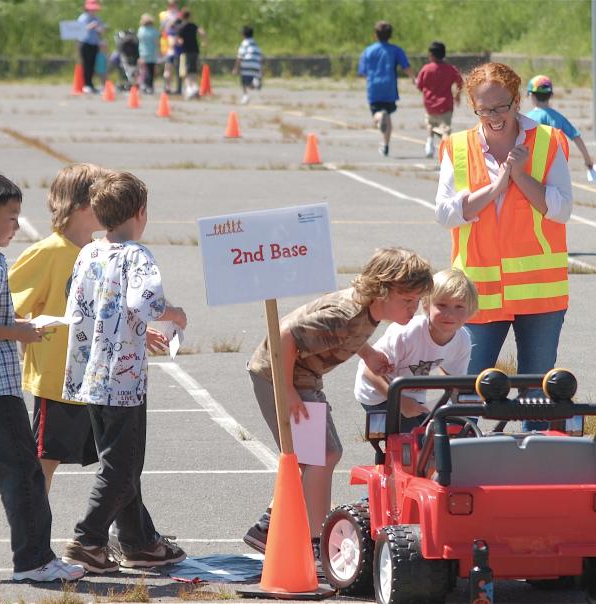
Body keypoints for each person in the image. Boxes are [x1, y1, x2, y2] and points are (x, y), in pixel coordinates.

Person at [244, 248, 433, 557]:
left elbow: (350, 334)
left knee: (315, 455)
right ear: (383, 292)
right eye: (408, 301)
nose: (414, 309)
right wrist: (288, 390)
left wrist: (368, 353)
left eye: (416, 301)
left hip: (303, 377)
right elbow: (284, 337)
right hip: (277, 375)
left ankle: (269, 528)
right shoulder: (345, 315)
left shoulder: (366, 311)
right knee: (321, 454)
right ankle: (314, 542)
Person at [0, 173, 85, 582]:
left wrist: (15, 321)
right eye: (11, 217)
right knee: (23, 474)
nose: (17, 225)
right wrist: (22, 331)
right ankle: (34, 561)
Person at [61, 171, 188, 573]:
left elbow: (79, 298)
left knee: (122, 463)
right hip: (123, 379)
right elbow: (144, 300)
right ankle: (88, 539)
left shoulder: (89, 251)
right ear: (140, 212)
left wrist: (129, 324)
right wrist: (174, 315)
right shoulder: (137, 255)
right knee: (121, 469)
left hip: (89, 372)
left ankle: (138, 543)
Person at [435, 62, 572, 432]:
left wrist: (520, 176)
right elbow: (446, 213)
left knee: (538, 394)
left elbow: (560, 209)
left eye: (501, 106)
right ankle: (462, 465)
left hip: (540, 294)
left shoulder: (548, 141)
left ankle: (533, 471)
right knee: (468, 387)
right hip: (477, 293)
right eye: (484, 109)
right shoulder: (458, 147)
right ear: (473, 107)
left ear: (516, 101)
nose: (493, 116)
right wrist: (495, 188)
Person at [8, 164, 108, 494]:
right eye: (103, 199)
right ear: (82, 205)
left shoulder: (100, 252)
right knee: (44, 464)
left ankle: (122, 535)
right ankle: (32, 537)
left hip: (97, 379)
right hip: (58, 380)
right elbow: (5, 307)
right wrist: (28, 328)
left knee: (118, 462)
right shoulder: (47, 253)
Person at [354, 269, 477, 436]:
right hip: (378, 393)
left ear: (470, 310)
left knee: (439, 437)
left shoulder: (462, 340)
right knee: (415, 443)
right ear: (426, 305)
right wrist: (400, 403)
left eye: (459, 306)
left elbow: (455, 383)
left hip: (412, 396)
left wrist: (469, 408)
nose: (450, 314)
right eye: (442, 305)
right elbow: (368, 370)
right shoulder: (407, 333)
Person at [358, 20, 416, 157]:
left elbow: (363, 71)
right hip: (389, 87)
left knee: (376, 113)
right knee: (388, 114)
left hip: (374, 87)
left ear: (375, 35)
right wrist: (414, 78)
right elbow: (405, 67)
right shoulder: (396, 50)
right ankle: (385, 145)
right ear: (390, 35)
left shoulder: (368, 51)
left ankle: (379, 118)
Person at [526, 74, 594, 170]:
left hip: (531, 164)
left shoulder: (526, 118)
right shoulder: (558, 117)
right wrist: (587, 160)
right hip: (554, 164)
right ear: (551, 95)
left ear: (530, 95)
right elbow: (576, 137)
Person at [416, 41, 463, 159]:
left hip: (430, 104)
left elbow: (419, 85)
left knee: (430, 125)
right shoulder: (450, 69)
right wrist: (457, 95)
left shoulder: (426, 69)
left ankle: (429, 142)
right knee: (445, 129)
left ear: (431, 55)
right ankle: (446, 152)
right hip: (445, 105)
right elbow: (460, 82)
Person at [177, 9, 207, 99]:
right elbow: (202, 32)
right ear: (189, 16)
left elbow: (179, 40)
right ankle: (195, 87)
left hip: (186, 51)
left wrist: (179, 42)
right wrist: (204, 42)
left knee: (185, 71)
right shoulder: (193, 25)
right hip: (195, 51)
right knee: (193, 70)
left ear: (181, 16)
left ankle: (190, 88)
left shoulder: (181, 27)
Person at [77, 0, 105, 94]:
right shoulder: (83, 18)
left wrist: (99, 30)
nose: (93, 11)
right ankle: (86, 84)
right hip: (85, 43)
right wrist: (90, 27)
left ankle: (91, 84)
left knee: (93, 65)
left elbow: (102, 30)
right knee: (87, 65)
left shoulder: (97, 18)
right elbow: (79, 30)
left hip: (94, 43)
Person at [233, 25, 263, 105]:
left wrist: (236, 68)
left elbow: (240, 56)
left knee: (243, 81)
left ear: (243, 34)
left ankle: (245, 95)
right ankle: (255, 83)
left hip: (247, 64)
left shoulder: (244, 43)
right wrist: (260, 69)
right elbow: (260, 57)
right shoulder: (256, 44)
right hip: (256, 65)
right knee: (251, 84)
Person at [159, 0, 181, 94]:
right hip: (169, 44)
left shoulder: (178, 14)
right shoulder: (165, 15)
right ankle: (168, 86)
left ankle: (175, 87)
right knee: (169, 67)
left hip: (175, 44)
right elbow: (164, 29)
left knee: (175, 68)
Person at [137, 13, 160, 94]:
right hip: (152, 52)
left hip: (143, 52)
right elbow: (157, 42)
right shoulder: (154, 31)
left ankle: (144, 85)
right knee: (151, 70)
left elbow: (140, 41)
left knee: (144, 70)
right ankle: (149, 86)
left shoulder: (141, 30)